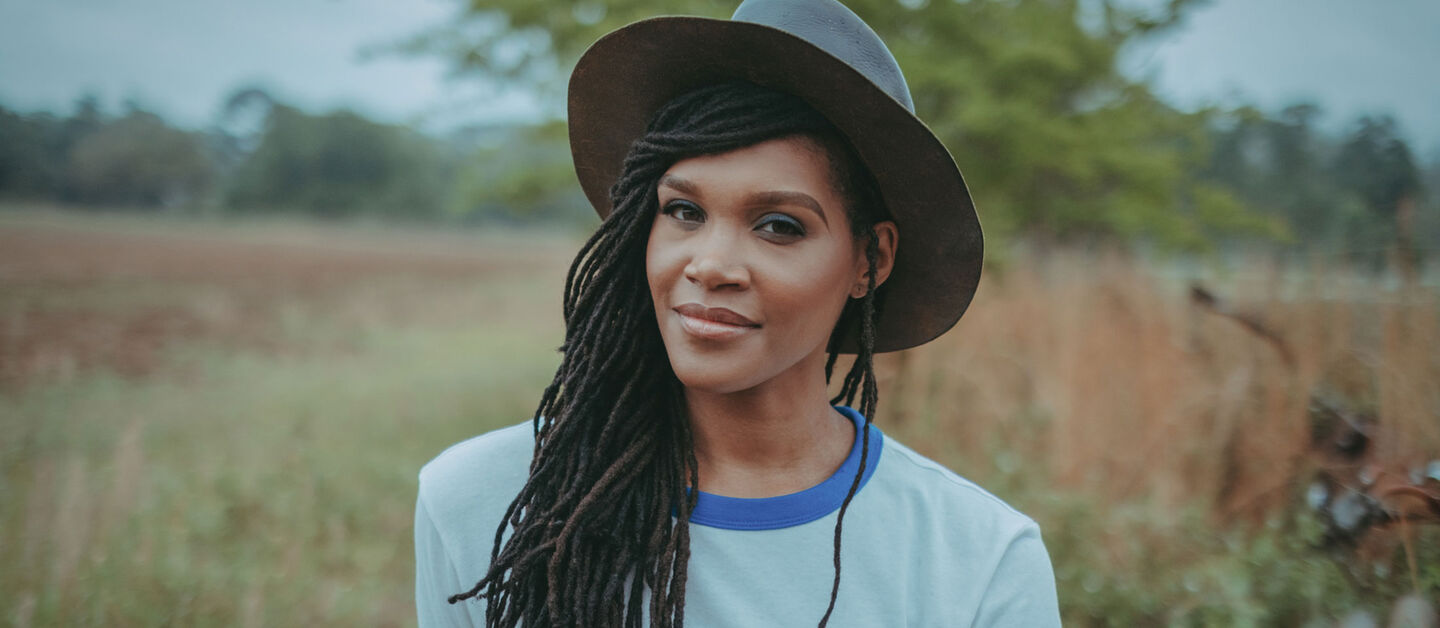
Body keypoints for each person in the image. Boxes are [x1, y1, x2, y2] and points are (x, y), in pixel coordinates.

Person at [414, 0, 1061, 625]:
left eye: (779, 225)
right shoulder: (481, 505)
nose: (711, 265)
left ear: (871, 259)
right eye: (683, 212)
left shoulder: (980, 563)